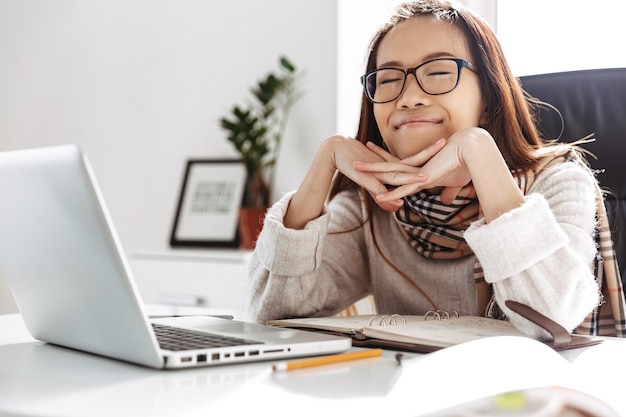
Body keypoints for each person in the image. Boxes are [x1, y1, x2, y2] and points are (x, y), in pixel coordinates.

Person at [244, 0, 615, 339]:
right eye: (388, 79)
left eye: (438, 72)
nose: (408, 97)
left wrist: (479, 152)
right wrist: (323, 165)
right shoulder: (371, 205)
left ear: (489, 97)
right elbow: (272, 313)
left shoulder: (558, 181)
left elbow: (551, 319)